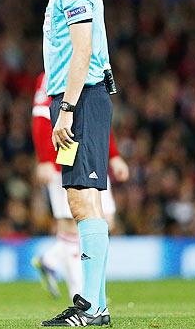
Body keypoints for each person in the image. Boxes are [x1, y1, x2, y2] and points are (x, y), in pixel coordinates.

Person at [20, 0, 114, 327]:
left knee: (81, 199)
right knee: (83, 198)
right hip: (79, 97)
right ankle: (97, 304)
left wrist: (69, 109)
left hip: (83, 98)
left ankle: (91, 307)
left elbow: (82, 49)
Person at [31, 72, 129, 300]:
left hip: (91, 148)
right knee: (72, 224)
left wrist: (113, 155)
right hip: (64, 150)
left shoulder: (91, 68)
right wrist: (45, 159)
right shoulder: (52, 73)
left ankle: (51, 261)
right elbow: (41, 117)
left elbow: (99, 117)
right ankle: (82, 293)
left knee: (107, 221)